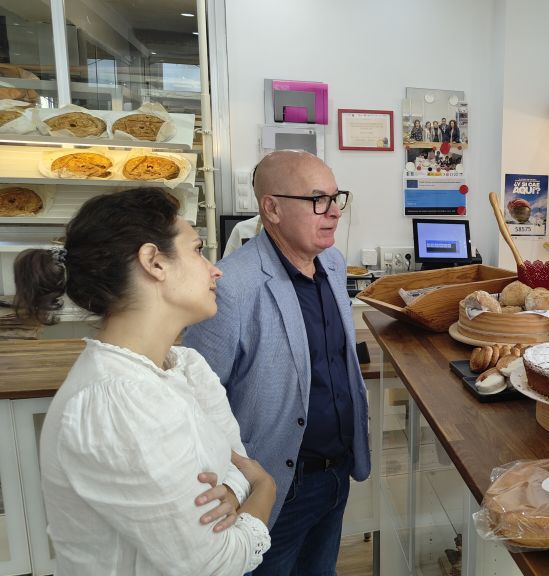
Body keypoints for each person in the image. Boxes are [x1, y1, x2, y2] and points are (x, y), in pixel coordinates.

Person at [13, 188, 276, 575]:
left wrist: (239, 488)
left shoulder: (185, 365)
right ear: (154, 262)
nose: (215, 269)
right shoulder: (116, 402)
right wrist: (265, 487)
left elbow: (235, 463)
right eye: (198, 250)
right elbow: (214, 563)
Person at [183, 150, 371, 574]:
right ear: (272, 208)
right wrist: (235, 482)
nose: (335, 211)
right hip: (275, 482)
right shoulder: (232, 286)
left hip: (336, 472)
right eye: (318, 199)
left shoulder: (334, 264)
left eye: (337, 197)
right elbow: (196, 402)